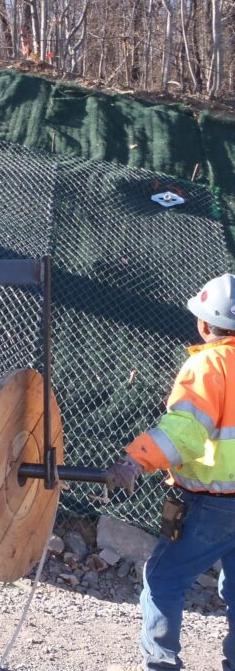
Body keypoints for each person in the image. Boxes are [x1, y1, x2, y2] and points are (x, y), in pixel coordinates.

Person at [106, 273, 235, 671]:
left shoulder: (209, 366)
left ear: (203, 323)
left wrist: (135, 460)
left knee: (163, 581)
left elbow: (185, 432)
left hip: (212, 506)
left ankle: (162, 665)